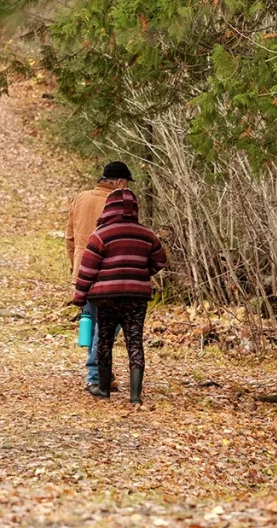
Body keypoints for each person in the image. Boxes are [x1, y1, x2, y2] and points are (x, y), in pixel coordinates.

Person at [71, 188, 167, 403]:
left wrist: (79, 297)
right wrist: (140, 272)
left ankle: (103, 389)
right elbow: (160, 260)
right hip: (136, 298)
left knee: (104, 340)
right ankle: (135, 396)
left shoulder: (100, 235)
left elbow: (87, 270)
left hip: (107, 298)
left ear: (108, 208)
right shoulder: (147, 235)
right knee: (135, 342)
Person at [66, 161, 132, 393]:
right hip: (108, 274)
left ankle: (102, 371)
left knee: (92, 323)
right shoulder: (120, 203)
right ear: (120, 182)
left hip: (82, 271)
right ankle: (95, 374)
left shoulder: (80, 198)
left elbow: (70, 239)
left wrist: (75, 268)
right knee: (108, 325)